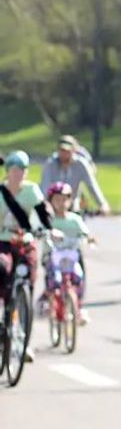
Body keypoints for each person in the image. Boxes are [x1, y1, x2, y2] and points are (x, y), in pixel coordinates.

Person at [0, 151, 56, 363]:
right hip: (3, 242)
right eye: (14, 170)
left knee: (27, 281)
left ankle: (24, 342)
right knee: (2, 269)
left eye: (22, 170)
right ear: (8, 172)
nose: (18, 174)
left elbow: (42, 212)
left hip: (25, 242)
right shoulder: (1, 193)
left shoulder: (31, 190)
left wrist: (50, 230)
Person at [44, 182, 96, 324]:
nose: (61, 203)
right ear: (51, 201)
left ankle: (77, 308)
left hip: (71, 255)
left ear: (70, 200)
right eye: (57, 199)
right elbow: (44, 231)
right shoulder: (50, 219)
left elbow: (84, 231)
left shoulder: (74, 219)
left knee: (78, 277)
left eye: (64, 199)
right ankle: (50, 303)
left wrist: (89, 238)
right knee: (53, 279)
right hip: (54, 256)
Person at [41, 135, 110, 215]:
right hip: (53, 206)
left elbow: (92, 185)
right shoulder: (50, 164)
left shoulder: (81, 164)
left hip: (72, 204)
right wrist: (43, 204)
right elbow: (44, 187)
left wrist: (102, 204)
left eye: (67, 151)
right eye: (62, 150)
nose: (64, 154)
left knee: (77, 221)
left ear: (74, 151)